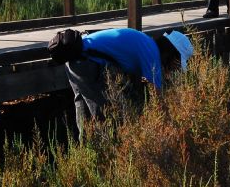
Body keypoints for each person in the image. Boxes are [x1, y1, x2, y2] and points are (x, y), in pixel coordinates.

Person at [63, 28, 194, 138]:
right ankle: (104, 154)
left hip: (72, 57)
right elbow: (157, 101)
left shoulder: (147, 43)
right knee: (104, 114)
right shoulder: (152, 55)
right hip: (87, 62)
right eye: (177, 64)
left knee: (84, 112)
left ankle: (86, 153)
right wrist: (171, 129)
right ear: (172, 54)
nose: (175, 69)